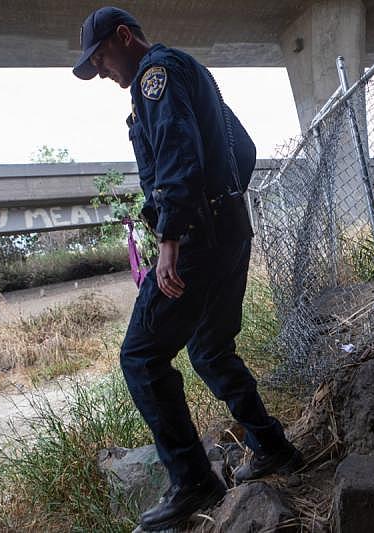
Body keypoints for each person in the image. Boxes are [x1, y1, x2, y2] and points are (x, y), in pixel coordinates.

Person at [73, 7, 303, 531]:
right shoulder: (187, 72)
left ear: (123, 38)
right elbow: (240, 148)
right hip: (228, 229)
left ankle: (193, 480)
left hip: (196, 238)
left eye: (101, 59)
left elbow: (176, 153)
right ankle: (272, 446)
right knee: (209, 348)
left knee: (141, 359)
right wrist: (221, 204)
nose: (102, 73)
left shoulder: (156, 75)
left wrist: (171, 237)